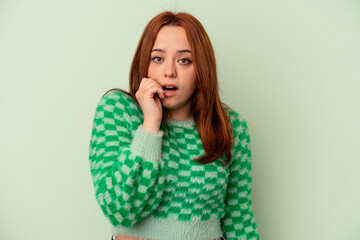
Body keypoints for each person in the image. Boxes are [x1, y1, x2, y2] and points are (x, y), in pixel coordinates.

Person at [88, 11, 260, 240]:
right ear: (144, 63)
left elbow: (239, 221)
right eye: (157, 58)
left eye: (184, 60)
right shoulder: (118, 110)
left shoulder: (230, 126)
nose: (169, 71)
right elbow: (121, 211)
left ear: (201, 70)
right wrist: (150, 125)